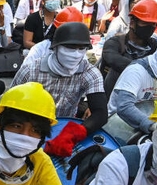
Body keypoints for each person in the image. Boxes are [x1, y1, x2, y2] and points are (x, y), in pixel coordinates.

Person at [12, 22, 107, 157]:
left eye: (81, 49)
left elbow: (100, 113)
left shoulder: (89, 73)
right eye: (70, 48)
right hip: (28, 129)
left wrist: (72, 135)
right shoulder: (31, 71)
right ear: (55, 48)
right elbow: (10, 108)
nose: (75, 54)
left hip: (63, 131)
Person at [101, 0, 157, 95]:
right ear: (132, 22)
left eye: (153, 24)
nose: (150, 28)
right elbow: (115, 61)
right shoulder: (114, 43)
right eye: (145, 23)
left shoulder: (155, 47)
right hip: (109, 96)